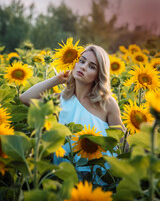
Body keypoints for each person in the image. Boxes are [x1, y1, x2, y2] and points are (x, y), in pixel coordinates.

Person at [20, 44, 127, 183]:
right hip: (65, 178)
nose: (83, 67)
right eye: (81, 61)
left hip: (100, 177)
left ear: (98, 75)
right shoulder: (61, 99)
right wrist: (57, 79)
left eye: (92, 66)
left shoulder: (106, 103)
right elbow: (25, 98)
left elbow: (124, 141)